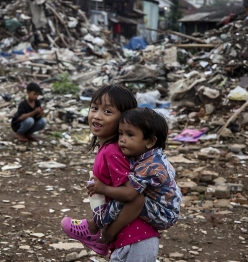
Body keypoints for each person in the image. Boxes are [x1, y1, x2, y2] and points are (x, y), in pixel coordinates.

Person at [60, 85, 160, 261]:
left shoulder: (112, 152)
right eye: (94, 108)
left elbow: (136, 199)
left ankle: (93, 229)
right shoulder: (107, 148)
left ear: (124, 119)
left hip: (135, 239)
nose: (97, 115)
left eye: (107, 111)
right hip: (131, 238)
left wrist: (108, 233)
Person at [88, 107, 182, 235]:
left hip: (163, 213)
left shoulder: (151, 165)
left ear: (150, 141)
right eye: (120, 133)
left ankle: (98, 227)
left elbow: (129, 193)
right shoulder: (144, 154)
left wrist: (103, 188)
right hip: (161, 206)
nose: (122, 139)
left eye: (130, 135)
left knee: (130, 199)